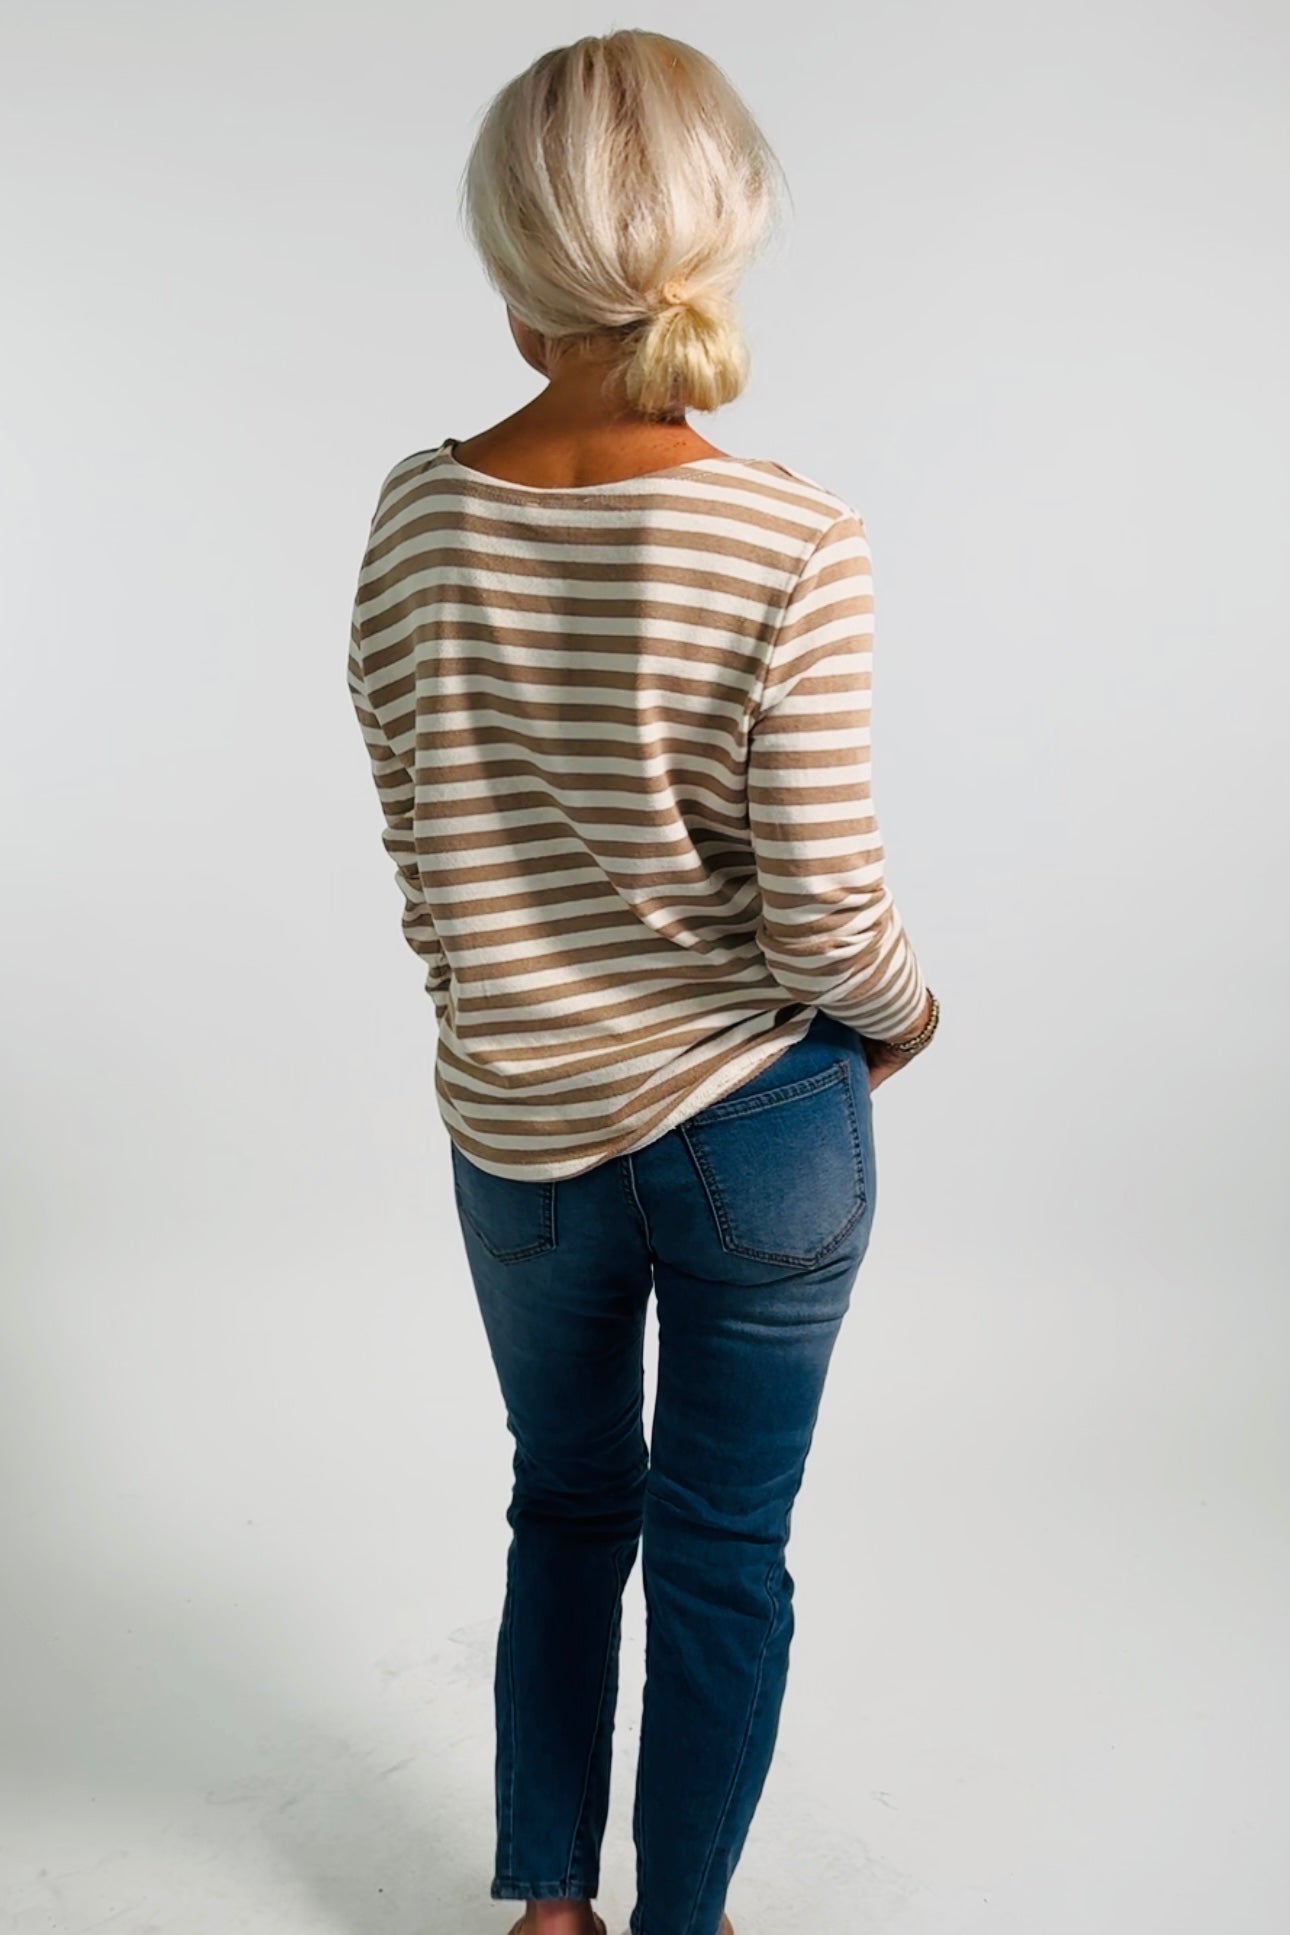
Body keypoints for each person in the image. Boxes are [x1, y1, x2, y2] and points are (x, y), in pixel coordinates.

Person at [347, 29, 939, 1935]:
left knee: (563, 1509)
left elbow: (419, 846)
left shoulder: (417, 516)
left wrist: (497, 1014)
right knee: (720, 1552)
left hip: (512, 1126)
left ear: (510, 262)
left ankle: (547, 1910)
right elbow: (823, 912)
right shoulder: (791, 539)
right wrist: (906, 1015)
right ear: (726, 230)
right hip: (754, 1125)